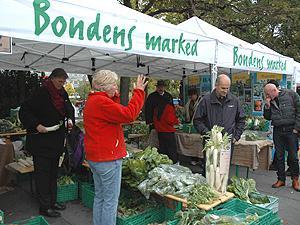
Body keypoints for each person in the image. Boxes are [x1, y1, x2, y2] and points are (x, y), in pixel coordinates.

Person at [83, 70, 147, 225]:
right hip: (108, 159)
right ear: (105, 87)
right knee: (110, 201)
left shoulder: (93, 101)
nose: (116, 88)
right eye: (114, 85)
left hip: (96, 158)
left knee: (100, 197)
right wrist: (138, 92)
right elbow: (129, 115)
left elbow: (114, 112)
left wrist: (115, 96)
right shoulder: (102, 103)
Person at [19, 68, 75, 217]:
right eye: (59, 81)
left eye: (64, 82)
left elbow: (69, 108)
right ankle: (44, 207)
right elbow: (24, 111)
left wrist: (69, 120)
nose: (62, 84)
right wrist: (36, 124)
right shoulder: (41, 92)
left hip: (56, 141)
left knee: (53, 174)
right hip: (41, 141)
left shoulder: (62, 93)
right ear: (52, 79)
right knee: (42, 175)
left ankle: (52, 201)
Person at [193, 74, 245, 175]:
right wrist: (208, 134)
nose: (225, 91)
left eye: (227, 88)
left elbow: (241, 120)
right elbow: (197, 120)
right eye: (223, 88)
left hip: (227, 143)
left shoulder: (234, 101)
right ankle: (208, 188)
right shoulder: (206, 100)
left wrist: (236, 136)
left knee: (223, 170)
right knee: (210, 169)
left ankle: (222, 189)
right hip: (211, 143)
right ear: (216, 85)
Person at [263, 83, 300, 191]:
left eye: (268, 94)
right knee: (279, 156)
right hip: (278, 130)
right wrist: (267, 106)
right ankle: (281, 179)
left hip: (291, 130)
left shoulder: (291, 94)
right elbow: (267, 117)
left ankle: (295, 179)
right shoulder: (270, 100)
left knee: (293, 156)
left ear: (274, 90)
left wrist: (296, 128)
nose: (267, 96)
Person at [153, 97, 179, 163]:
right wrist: (176, 121)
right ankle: (174, 163)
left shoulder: (157, 108)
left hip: (160, 131)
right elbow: (170, 120)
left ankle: (164, 163)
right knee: (171, 150)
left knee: (163, 149)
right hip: (168, 131)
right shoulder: (169, 107)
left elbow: (155, 120)